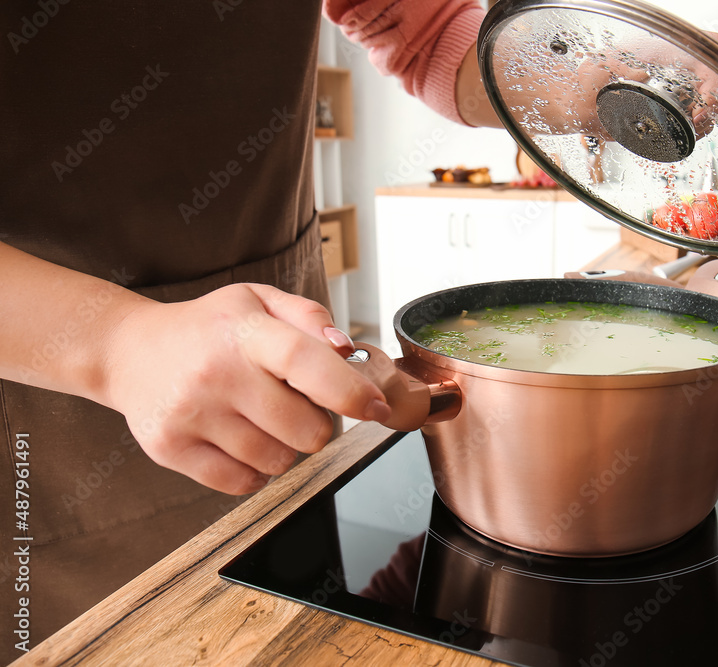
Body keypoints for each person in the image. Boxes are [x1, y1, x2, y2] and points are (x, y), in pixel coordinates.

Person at [0, 0, 495, 658]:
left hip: (281, 367)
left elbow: (429, 34)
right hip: (47, 417)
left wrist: (580, 71)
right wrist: (116, 344)